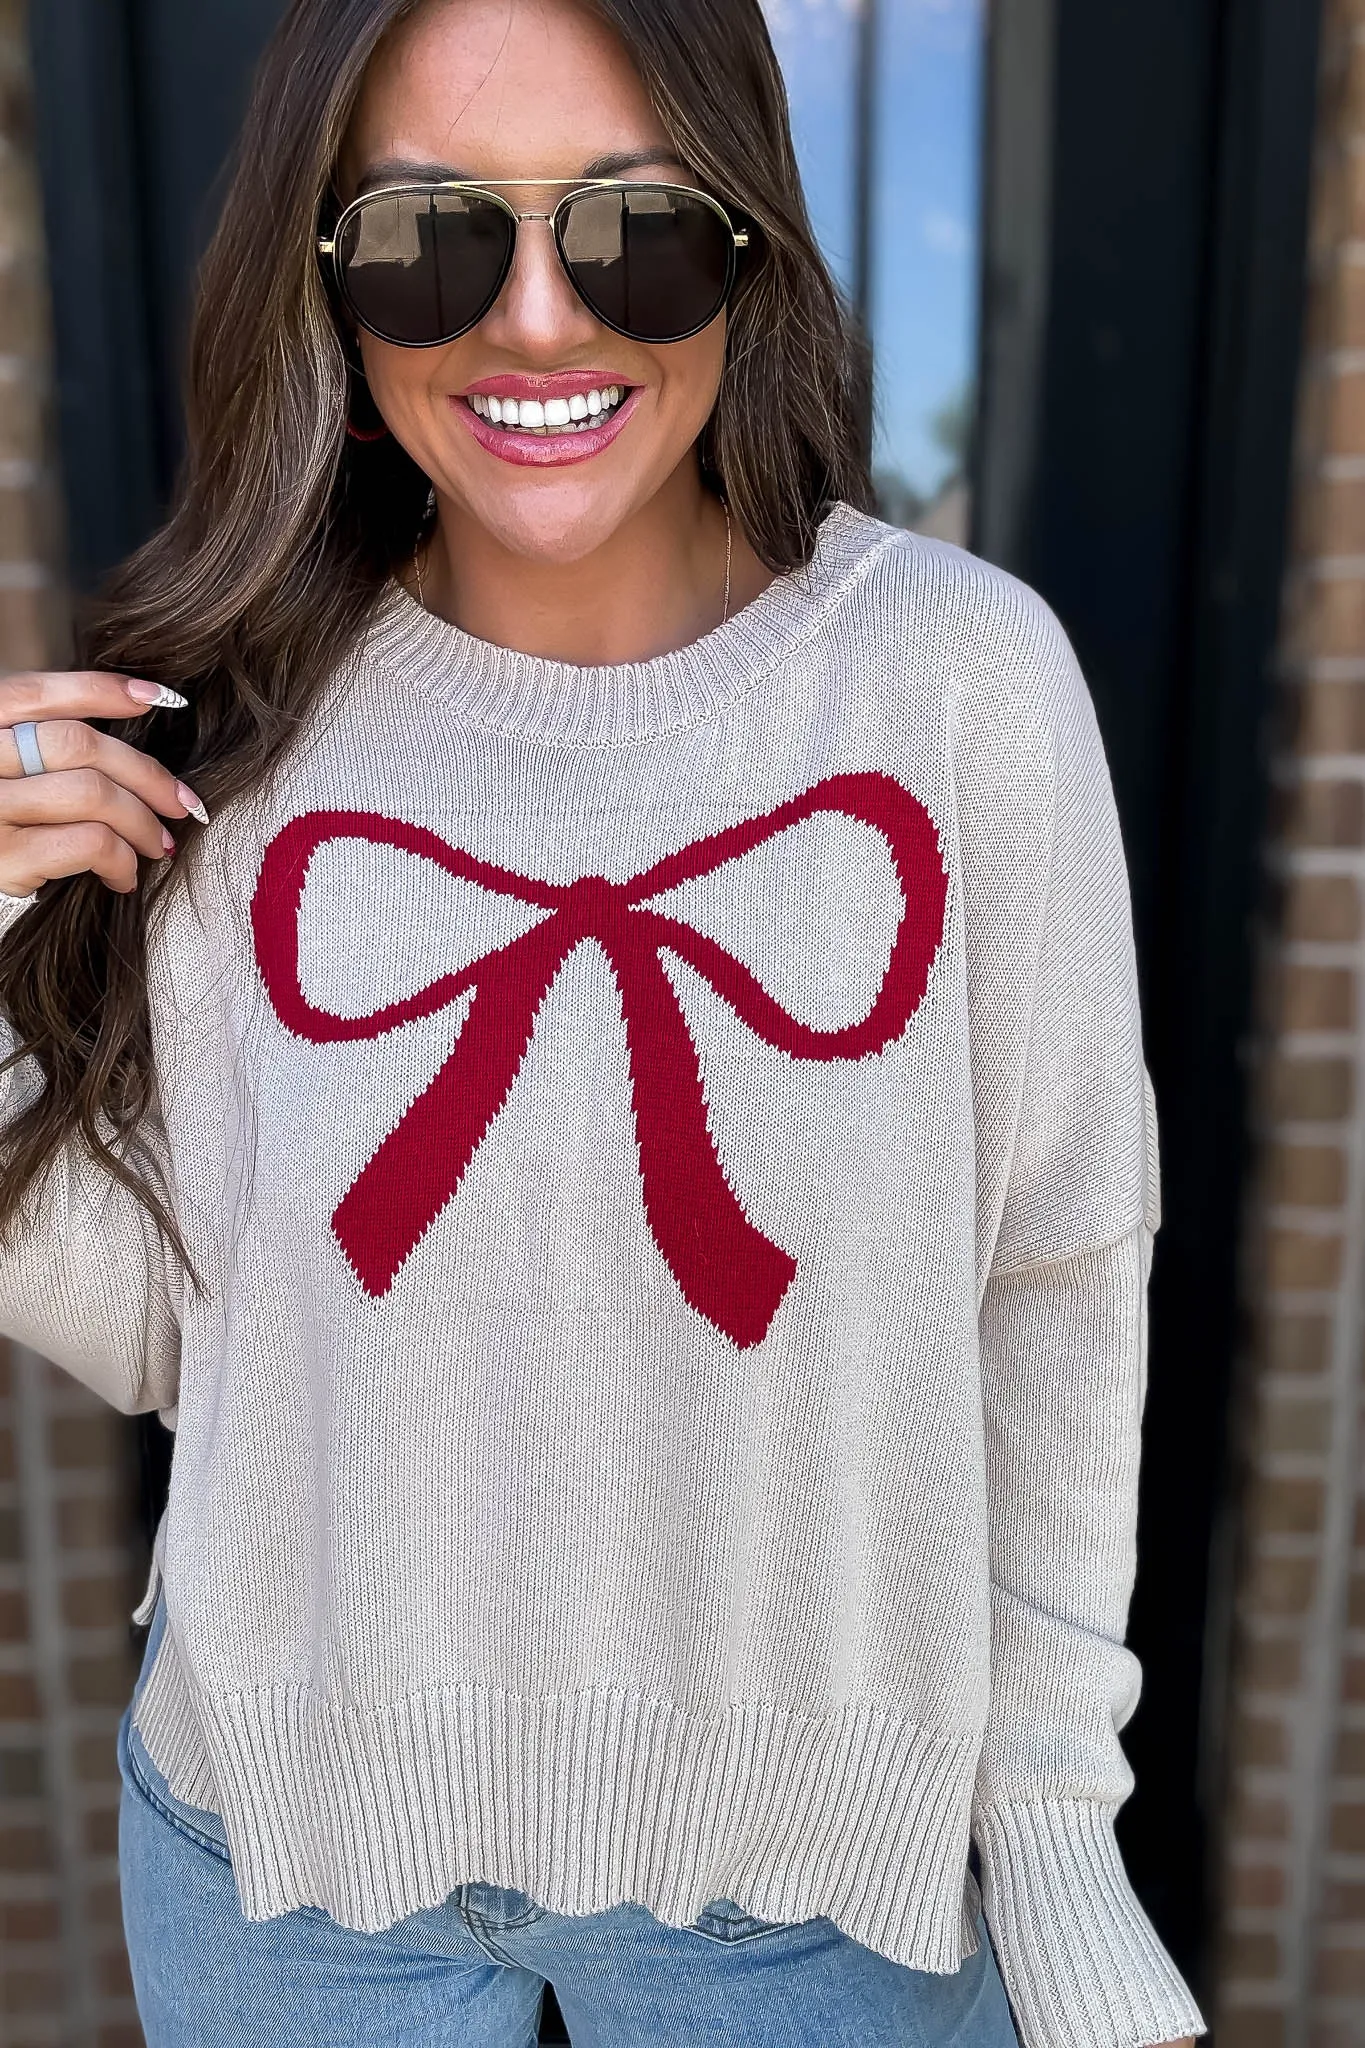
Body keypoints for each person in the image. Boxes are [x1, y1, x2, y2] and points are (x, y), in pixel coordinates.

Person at [0, 2, 1207, 2044]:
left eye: (635, 230)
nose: (538, 319)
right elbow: (173, 1330)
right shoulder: (249, 722)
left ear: (747, 248)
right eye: (428, 242)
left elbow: (1059, 1283)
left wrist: (1057, 1839)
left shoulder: (955, 696)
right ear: (323, 282)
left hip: (820, 1889)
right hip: (285, 1857)